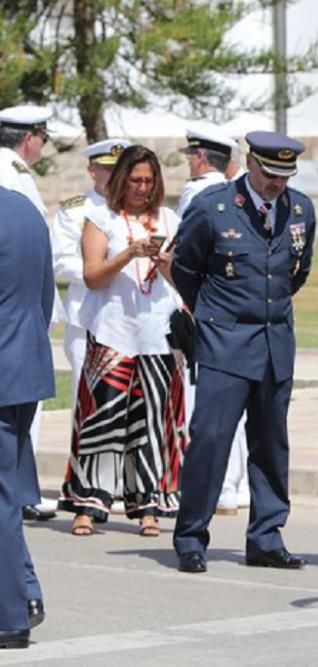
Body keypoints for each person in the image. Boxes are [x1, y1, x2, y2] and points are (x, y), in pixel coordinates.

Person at [171, 131, 317, 574]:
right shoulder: (213, 207)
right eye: (270, 173)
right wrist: (214, 316)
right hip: (224, 342)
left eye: (284, 176)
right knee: (211, 442)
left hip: (275, 343)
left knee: (271, 446)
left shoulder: (301, 209)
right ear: (250, 163)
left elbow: (298, 269)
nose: (276, 184)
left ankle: (266, 537)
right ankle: (191, 536)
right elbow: (184, 269)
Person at [59, 145, 188, 538]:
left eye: (149, 181)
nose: (143, 188)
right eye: (135, 180)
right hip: (112, 336)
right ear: (121, 181)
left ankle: (148, 506)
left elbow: (183, 281)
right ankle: (88, 504)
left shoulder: (169, 218)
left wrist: (163, 264)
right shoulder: (100, 219)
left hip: (157, 337)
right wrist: (129, 253)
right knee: (101, 420)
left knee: (152, 423)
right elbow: (93, 275)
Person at [175, 126, 250, 516]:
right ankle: (234, 485)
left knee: (207, 408)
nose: (189, 162)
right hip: (236, 316)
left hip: (208, 312)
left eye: (191, 155)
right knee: (234, 409)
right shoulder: (236, 192)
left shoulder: (197, 192)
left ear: (201, 157)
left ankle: (219, 488)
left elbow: (183, 258)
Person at [0, 186, 56, 650]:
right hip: (24, 368)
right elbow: (44, 300)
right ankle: (27, 597)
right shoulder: (26, 211)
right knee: (9, 493)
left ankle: (11, 616)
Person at [0, 104, 58, 524]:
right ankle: (19, 494)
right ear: (29, 137)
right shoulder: (13, 176)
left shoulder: (17, 175)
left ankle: (20, 492)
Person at [52, 138, 133, 412]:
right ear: (92, 171)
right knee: (86, 399)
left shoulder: (138, 207)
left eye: (122, 168)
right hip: (87, 313)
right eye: (109, 169)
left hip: (130, 312)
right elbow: (62, 260)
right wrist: (101, 270)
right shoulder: (76, 209)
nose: (116, 176)